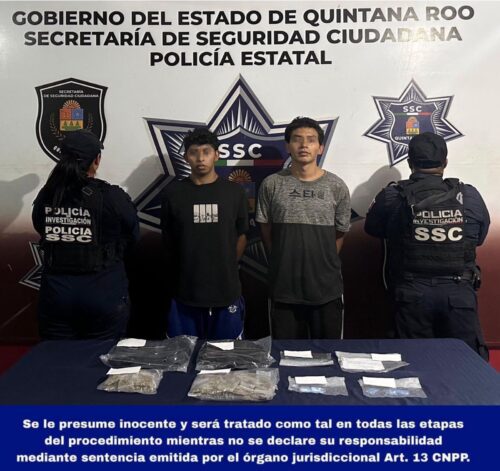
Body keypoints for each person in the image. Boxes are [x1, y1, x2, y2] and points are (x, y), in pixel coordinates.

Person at [364, 132, 490, 360]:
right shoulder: (469, 195)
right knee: (465, 367)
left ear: (409, 162)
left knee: (413, 365)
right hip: (458, 295)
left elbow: (373, 229)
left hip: (412, 296)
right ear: (445, 162)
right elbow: (479, 238)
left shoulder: (393, 196)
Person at [32, 130, 140, 340]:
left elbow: (40, 226)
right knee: (102, 357)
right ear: (96, 160)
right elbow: (133, 236)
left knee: (56, 357)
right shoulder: (112, 197)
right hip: (103, 292)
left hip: (57, 295)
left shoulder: (48, 195)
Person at [256, 117, 351, 339]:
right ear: (288, 146)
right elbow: (265, 228)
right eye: (297, 139)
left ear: (320, 147)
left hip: (326, 288)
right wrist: (282, 257)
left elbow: (340, 232)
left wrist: (323, 261)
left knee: (328, 353)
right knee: (285, 354)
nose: (304, 145)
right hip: (284, 287)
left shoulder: (336, 186)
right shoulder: (271, 184)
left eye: (311, 140)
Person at [160, 128, 249, 340]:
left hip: (226, 292)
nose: (200, 158)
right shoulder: (172, 193)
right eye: (194, 152)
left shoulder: (235, 192)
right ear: (185, 157)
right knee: (183, 357)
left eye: (206, 152)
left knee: (226, 358)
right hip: (185, 293)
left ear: (217, 155)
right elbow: (169, 240)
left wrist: (226, 265)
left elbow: (241, 235)